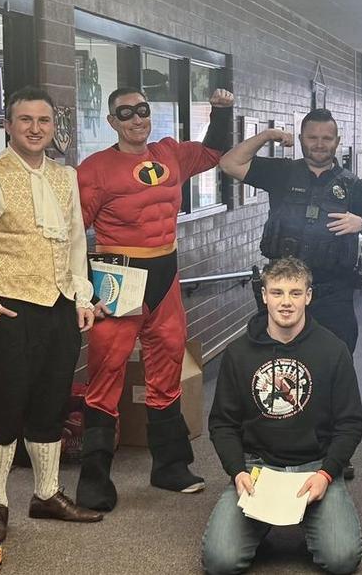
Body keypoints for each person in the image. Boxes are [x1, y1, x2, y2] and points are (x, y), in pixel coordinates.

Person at [76, 86, 235, 507]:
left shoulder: (169, 153)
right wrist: (81, 288)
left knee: (167, 367)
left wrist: (221, 111)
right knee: (106, 373)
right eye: (125, 113)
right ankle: (94, 479)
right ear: (112, 122)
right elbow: (72, 233)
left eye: (141, 110)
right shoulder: (94, 169)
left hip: (166, 272)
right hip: (119, 277)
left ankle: (170, 466)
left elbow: (214, 152)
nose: (135, 119)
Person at [0, 86, 103, 539]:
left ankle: (47, 494)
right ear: (7, 125)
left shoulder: (66, 177)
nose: (35, 128)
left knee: (51, 402)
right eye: (25, 120)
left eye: (43, 121)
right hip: (8, 307)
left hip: (59, 304)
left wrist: (82, 296)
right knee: (2, 406)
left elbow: (77, 242)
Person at [202, 258, 362, 575]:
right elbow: (222, 423)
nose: (286, 302)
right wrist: (237, 472)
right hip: (257, 469)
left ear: (308, 296)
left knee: (342, 560)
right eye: (277, 292)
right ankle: (260, 523)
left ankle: (303, 517)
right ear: (264, 296)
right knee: (220, 562)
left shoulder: (334, 351)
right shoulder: (238, 353)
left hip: (315, 469)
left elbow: (350, 423)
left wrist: (328, 473)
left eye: (295, 292)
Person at [219, 108, 362, 351]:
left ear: (337, 142)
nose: (319, 144)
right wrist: (267, 135)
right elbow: (229, 163)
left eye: (327, 138)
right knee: (281, 368)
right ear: (300, 139)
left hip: (333, 295)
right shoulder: (282, 173)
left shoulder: (351, 185)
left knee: (336, 366)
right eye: (312, 137)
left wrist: (361, 223)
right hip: (286, 295)